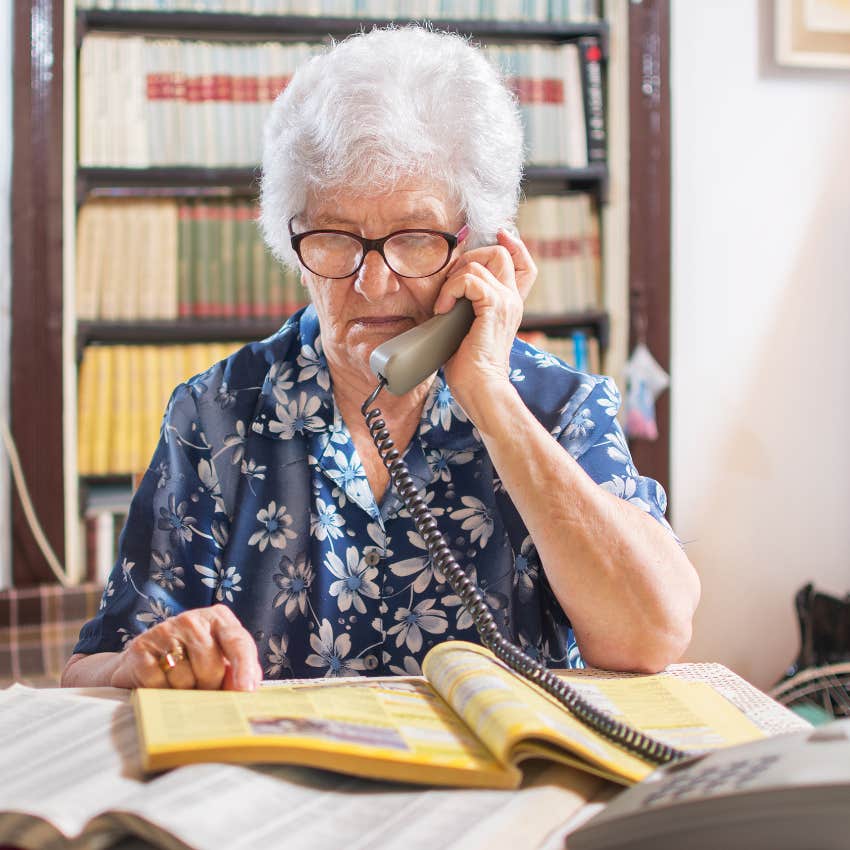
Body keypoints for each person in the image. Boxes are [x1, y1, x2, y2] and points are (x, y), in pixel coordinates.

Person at [62, 26, 699, 692]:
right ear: (293, 237)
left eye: (416, 238)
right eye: (335, 238)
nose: (372, 283)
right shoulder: (217, 414)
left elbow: (653, 634)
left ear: (480, 246)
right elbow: (92, 668)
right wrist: (141, 665)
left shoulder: (555, 406)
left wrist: (488, 396)